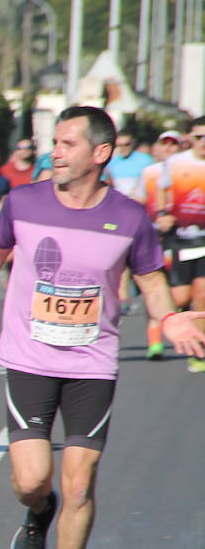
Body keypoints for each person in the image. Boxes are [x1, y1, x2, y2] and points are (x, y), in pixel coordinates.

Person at [0, 105, 205, 549]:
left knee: (80, 483)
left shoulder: (130, 218)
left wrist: (168, 319)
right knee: (35, 480)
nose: (55, 152)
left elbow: (149, 283)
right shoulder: (23, 201)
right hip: (29, 359)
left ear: (100, 154)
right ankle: (37, 513)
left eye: (67, 143)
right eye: (54, 142)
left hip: (92, 364)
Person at [152, 115, 205, 372]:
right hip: (181, 238)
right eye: (198, 137)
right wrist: (162, 215)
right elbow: (161, 190)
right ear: (189, 139)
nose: (203, 142)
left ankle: (198, 350)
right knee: (181, 296)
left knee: (203, 294)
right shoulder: (175, 163)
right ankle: (184, 323)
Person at [134, 131, 182, 360]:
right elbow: (138, 201)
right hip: (154, 238)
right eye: (165, 144)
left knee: (181, 294)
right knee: (153, 287)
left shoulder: (190, 170)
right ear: (158, 148)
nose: (169, 149)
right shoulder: (149, 173)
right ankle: (155, 343)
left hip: (183, 239)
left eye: (174, 145)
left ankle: (186, 334)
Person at [105, 128, 154, 198]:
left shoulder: (146, 160)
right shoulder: (111, 162)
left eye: (126, 144)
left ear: (133, 142)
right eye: (119, 145)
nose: (123, 148)